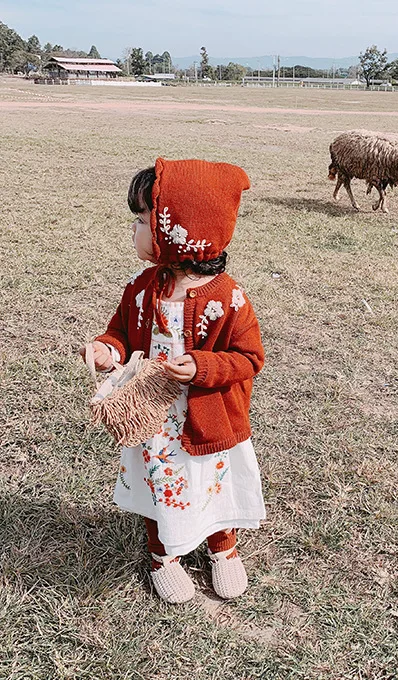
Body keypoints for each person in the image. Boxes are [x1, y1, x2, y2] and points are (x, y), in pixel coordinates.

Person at [81, 158, 265, 604]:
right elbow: (121, 332)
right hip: (156, 422)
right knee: (159, 485)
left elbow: (249, 358)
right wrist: (109, 349)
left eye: (143, 221)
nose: (135, 230)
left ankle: (223, 548)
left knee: (213, 484)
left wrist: (203, 367)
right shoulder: (142, 287)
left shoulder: (229, 298)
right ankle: (163, 556)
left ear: (180, 230)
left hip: (209, 419)